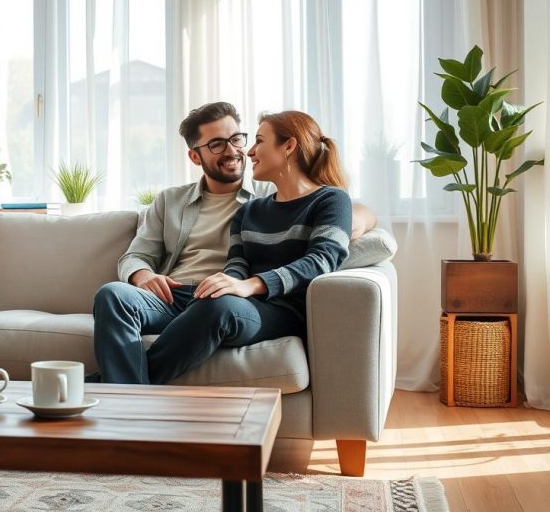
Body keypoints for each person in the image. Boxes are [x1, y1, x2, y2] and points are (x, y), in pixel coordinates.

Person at [93, 103, 368, 384]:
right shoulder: (247, 210)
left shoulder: (296, 193)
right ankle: (121, 390)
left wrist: (247, 285)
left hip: (252, 303)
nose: (241, 151)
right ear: (195, 156)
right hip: (188, 296)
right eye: (216, 144)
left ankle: (108, 386)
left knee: (218, 306)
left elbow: (329, 250)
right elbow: (236, 264)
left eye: (240, 139)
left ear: (288, 147)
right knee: (112, 294)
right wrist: (146, 276)